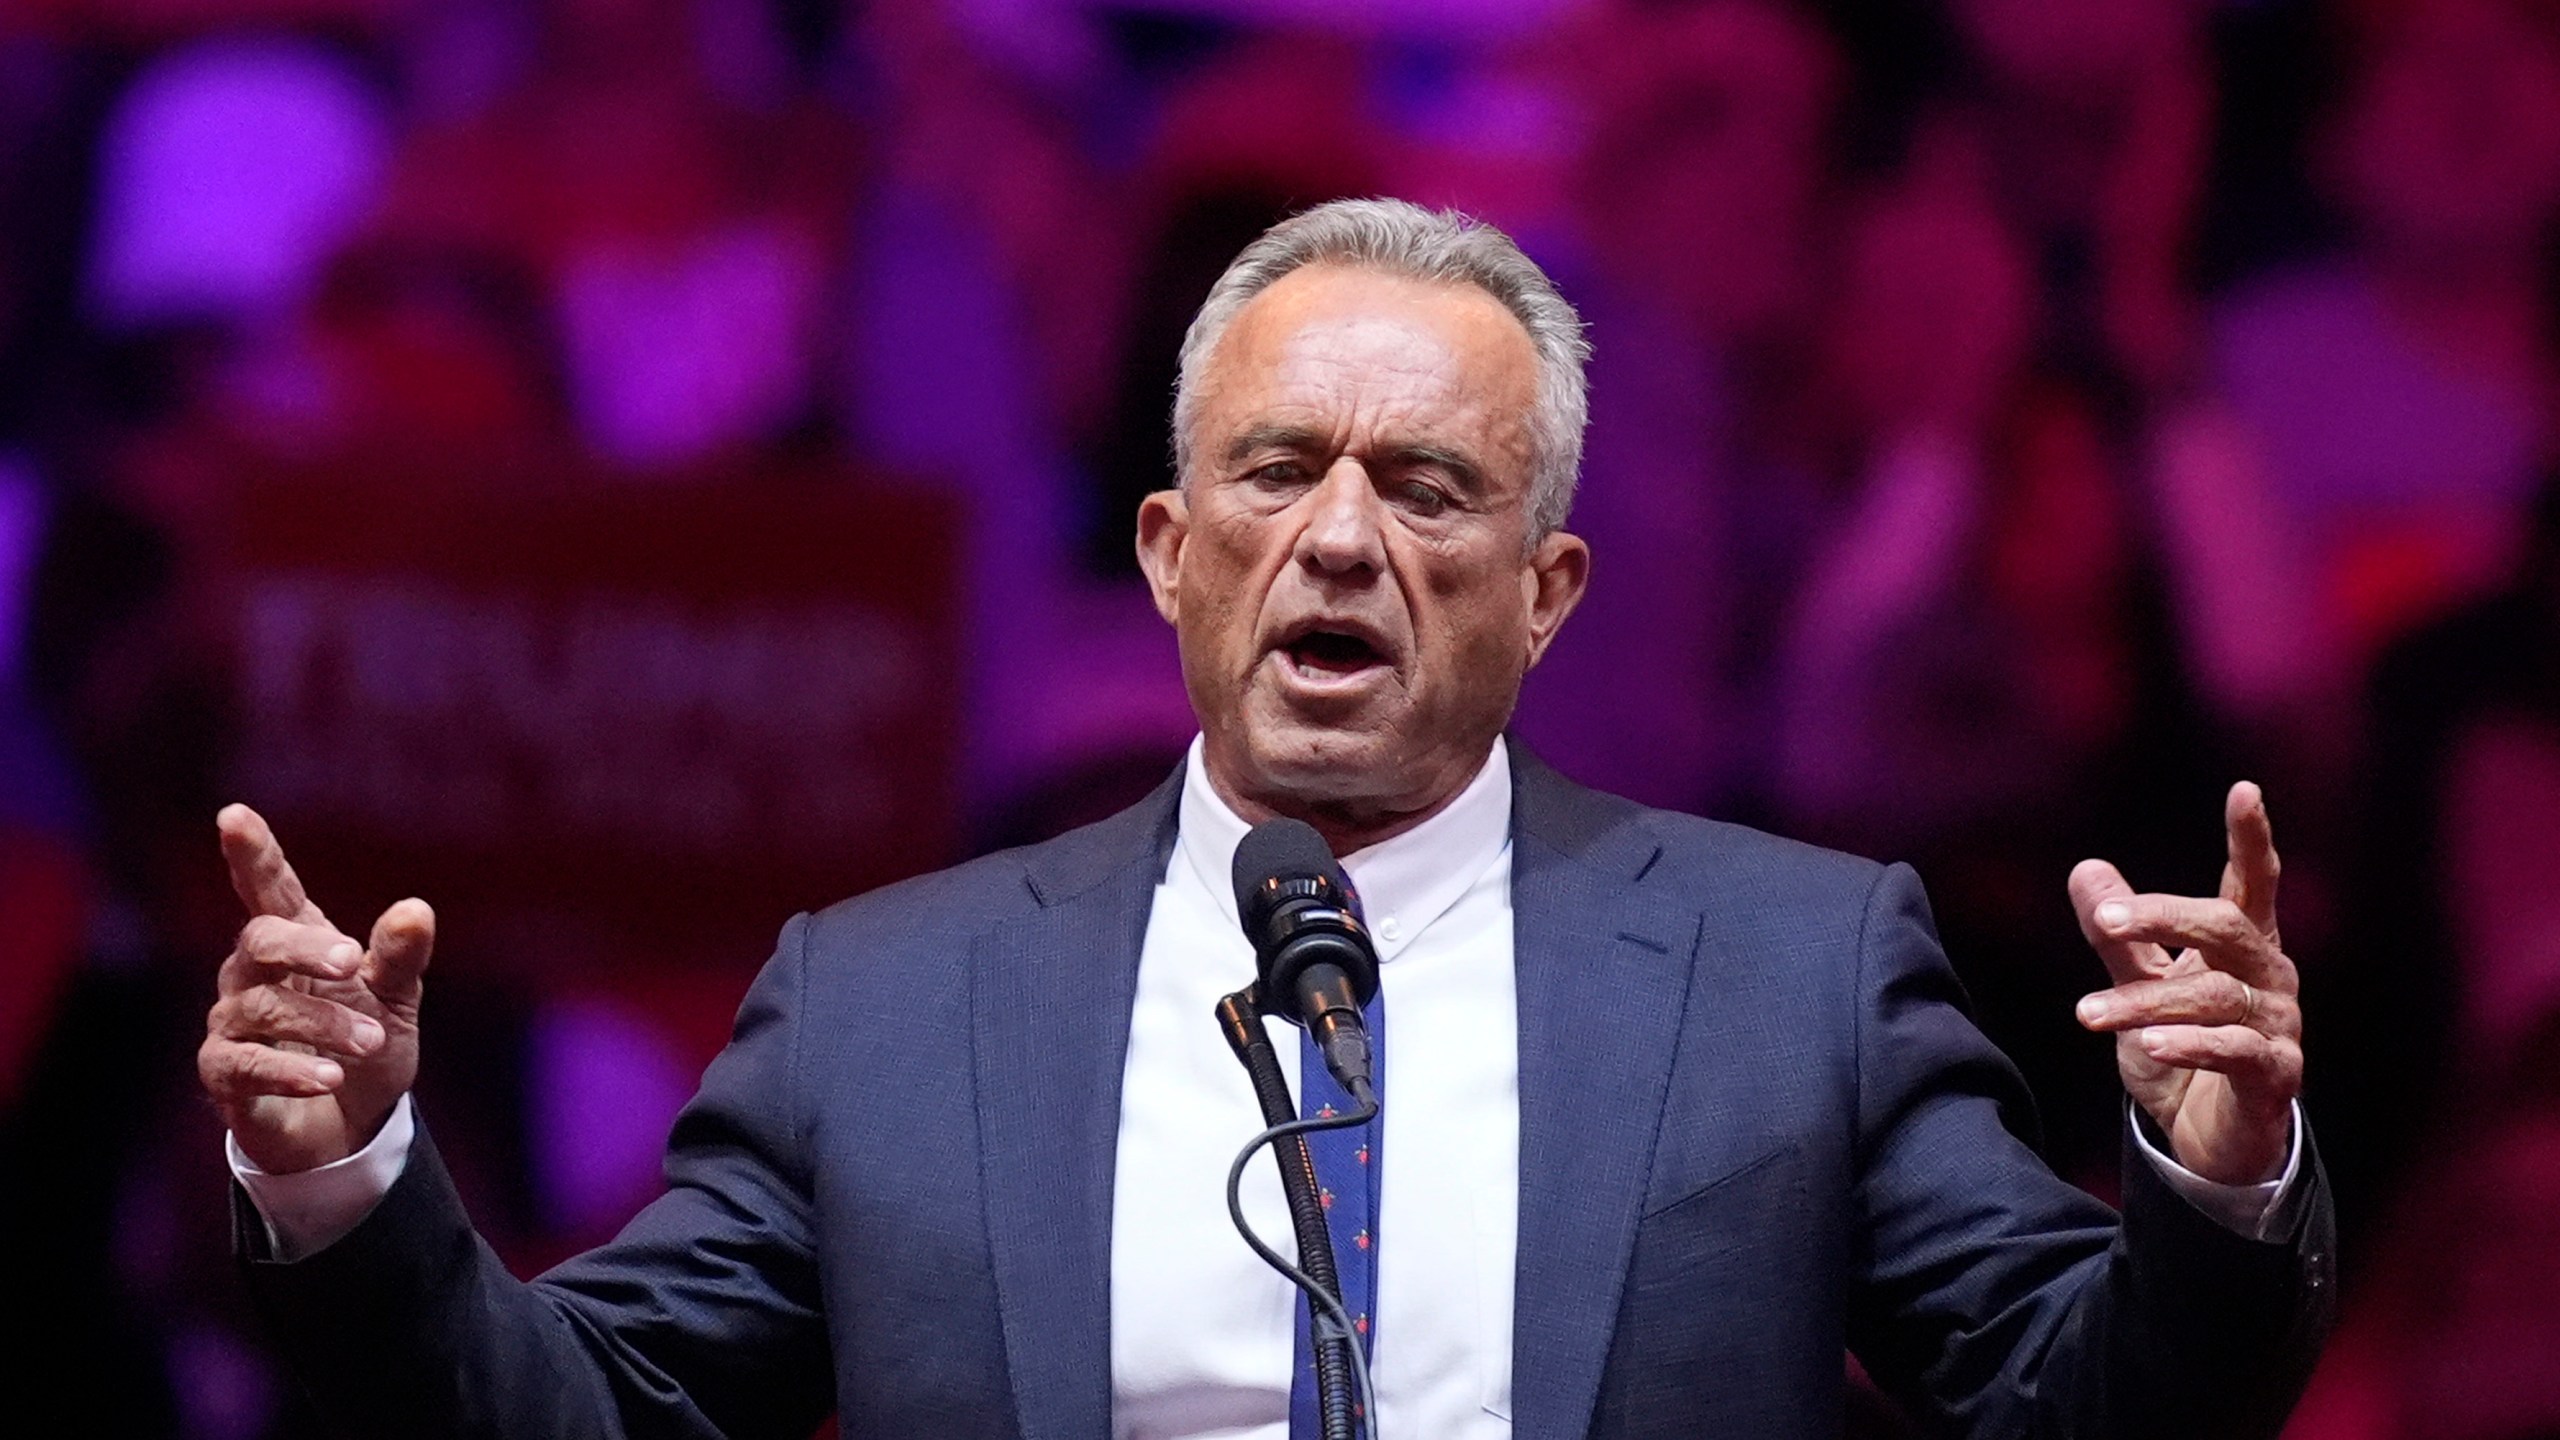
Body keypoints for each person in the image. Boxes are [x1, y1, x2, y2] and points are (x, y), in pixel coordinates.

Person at [200, 199, 2332, 1439]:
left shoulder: (1794, 973)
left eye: (1422, 493)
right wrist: (348, 1175)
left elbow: (2078, 1412)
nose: (1334, 544)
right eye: (1272, 472)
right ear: (1162, 550)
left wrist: (2210, 1186)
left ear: (1547, 591)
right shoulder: (885, 1002)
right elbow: (587, 1419)